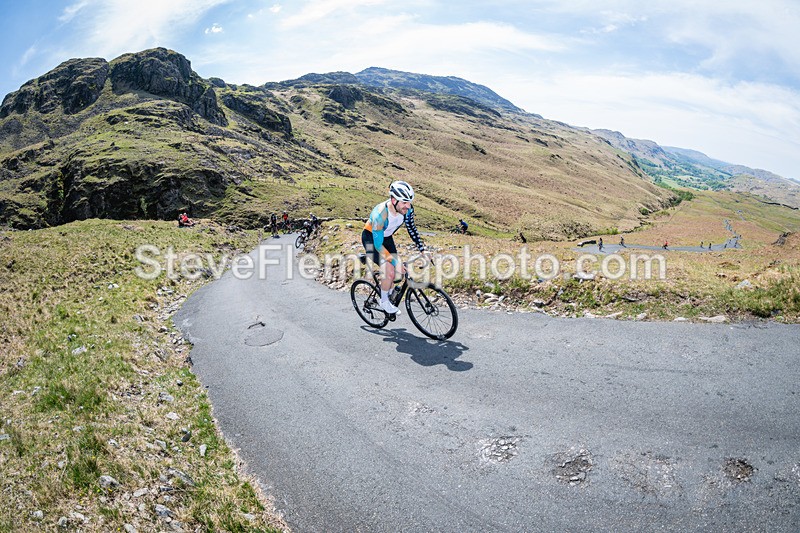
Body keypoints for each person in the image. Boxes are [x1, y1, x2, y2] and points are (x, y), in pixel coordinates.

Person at [362, 180, 430, 314]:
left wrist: (423, 249)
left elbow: (412, 229)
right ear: (394, 200)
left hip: (387, 238)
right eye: (404, 202)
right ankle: (384, 301)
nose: (408, 206)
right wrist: (394, 262)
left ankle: (387, 289)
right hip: (372, 240)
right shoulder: (380, 215)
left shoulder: (408, 210)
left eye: (409, 202)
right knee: (390, 269)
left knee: (399, 274)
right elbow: (378, 245)